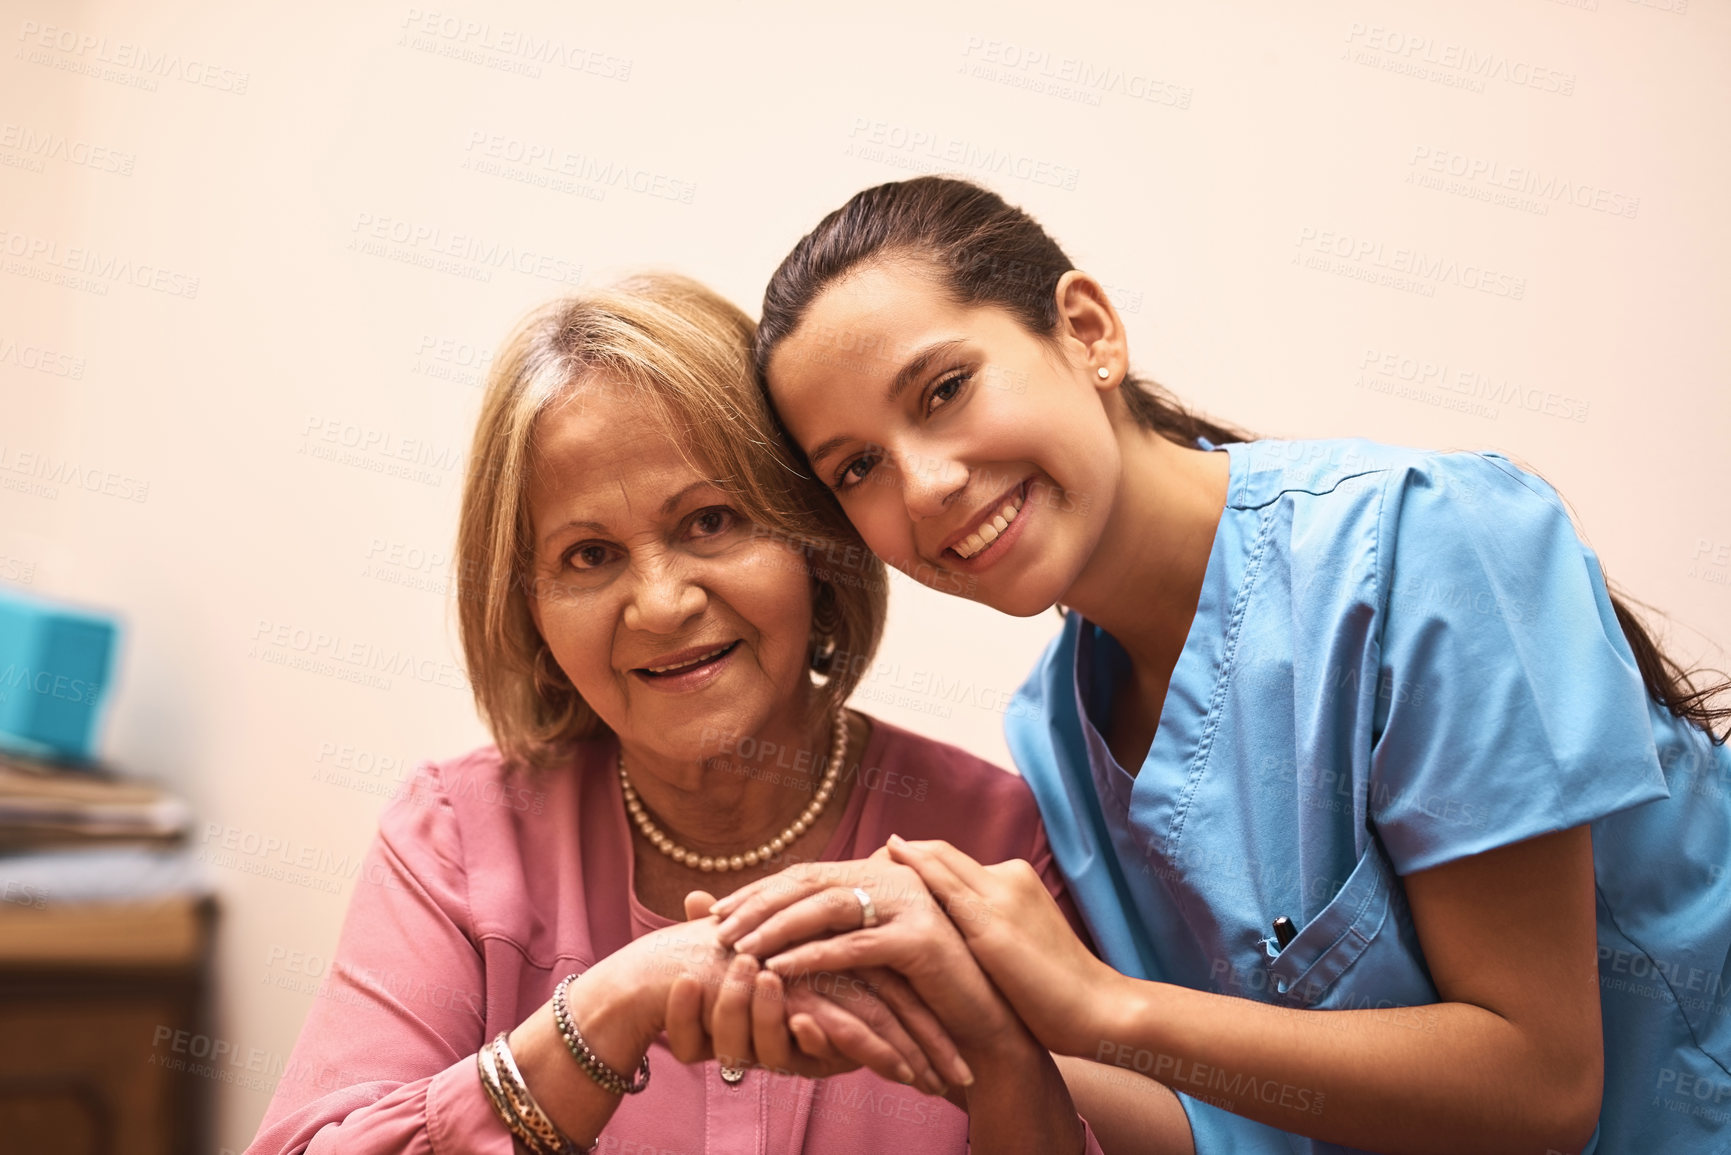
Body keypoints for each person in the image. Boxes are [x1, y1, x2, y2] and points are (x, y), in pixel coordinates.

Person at [718, 176, 1731, 1154]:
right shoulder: (1056, 734)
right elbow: (1245, 1131)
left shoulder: (1426, 546)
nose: (927, 484)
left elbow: (1543, 1087)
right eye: (858, 468)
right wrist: (954, 1027)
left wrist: (1105, 1007)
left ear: (1087, 332)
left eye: (944, 389)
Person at [245, 271, 1103, 1154]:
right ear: (529, 612)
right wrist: (608, 1006)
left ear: (813, 541)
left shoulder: (997, 842)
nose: (658, 603)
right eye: (588, 555)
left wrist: (1000, 1054)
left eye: (711, 521)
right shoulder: (459, 840)